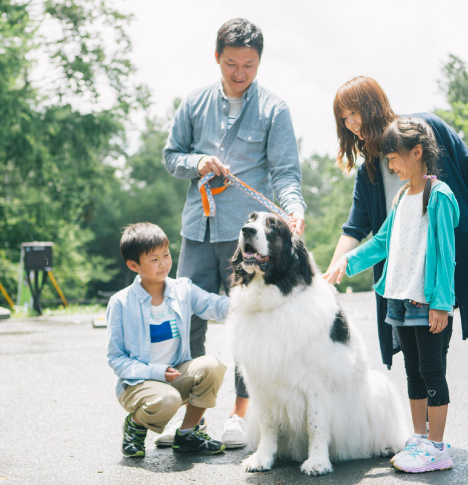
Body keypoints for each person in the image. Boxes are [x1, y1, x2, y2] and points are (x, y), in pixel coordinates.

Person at [324, 76, 468, 468]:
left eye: (354, 112)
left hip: (467, 248)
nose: (352, 124)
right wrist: (336, 267)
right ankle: (426, 439)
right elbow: (359, 228)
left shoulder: (426, 128)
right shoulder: (372, 171)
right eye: (344, 119)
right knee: (424, 361)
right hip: (411, 277)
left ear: (372, 105)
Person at [163, 18, 306, 449]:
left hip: (247, 238)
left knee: (247, 326)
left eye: (249, 64)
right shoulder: (192, 104)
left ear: (259, 62)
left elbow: (285, 173)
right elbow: (171, 157)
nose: (240, 72)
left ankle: (240, 417)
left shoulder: (275, 109)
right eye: (231, 64)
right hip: (196, 231)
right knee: (185, 321)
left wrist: (294, 207)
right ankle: (190, 420)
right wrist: (197, 163)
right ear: (216, 58)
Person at [325, 117, 459, 473]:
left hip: (428, 303)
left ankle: (437, 446)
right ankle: (418, 438)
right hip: (400, 300)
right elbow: (382, 242)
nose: (391, 165)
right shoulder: (402, 197)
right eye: (388, 160)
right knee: (413, 371)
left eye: (395, 158)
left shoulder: (439, 195)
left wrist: (442, 305)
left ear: (417, 152)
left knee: (432, 371)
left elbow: (446, 255)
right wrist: (346, 262)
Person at [107, 223, 229, 457]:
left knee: (212, 366)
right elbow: (116, 359)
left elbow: (216, 305)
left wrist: (253, 302)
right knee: (167, 399)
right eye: (154, 260)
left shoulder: (182, 289)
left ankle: (188, 434)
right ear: (134, 265)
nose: (164, 264)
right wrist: (157, 372)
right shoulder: (121, 302)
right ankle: (135, 426)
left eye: (166, 255)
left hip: (175, 375)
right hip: (138, 384)